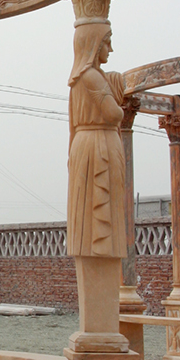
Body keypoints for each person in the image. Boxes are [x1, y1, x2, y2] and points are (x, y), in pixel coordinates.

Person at [66, 20, 126, 256]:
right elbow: (114, 113)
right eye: (107, 42)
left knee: (97, 222)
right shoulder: (91, 77)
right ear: (94, 44)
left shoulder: (81, 78)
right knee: (98, 224)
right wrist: (115, 92)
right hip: (97, 145)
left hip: (89, 143)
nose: (110, 49)